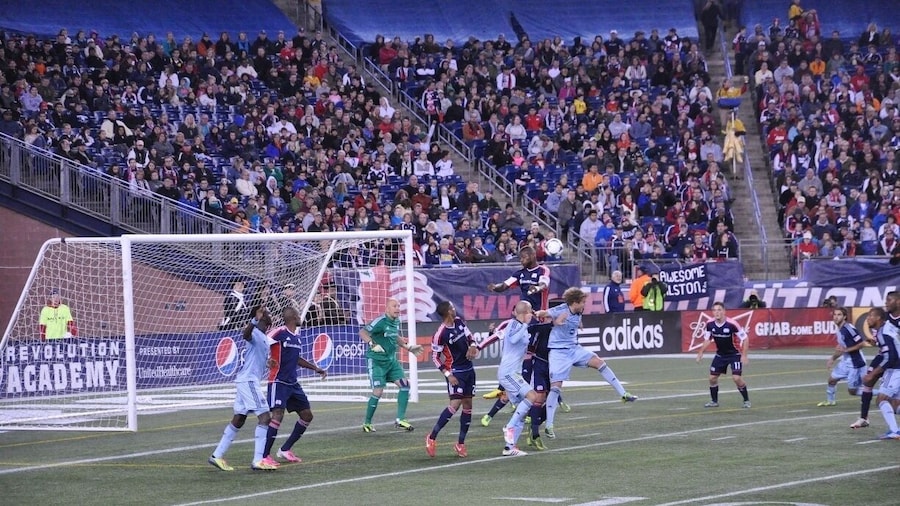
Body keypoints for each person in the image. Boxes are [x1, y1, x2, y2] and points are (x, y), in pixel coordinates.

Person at [534, 287, 637, 438]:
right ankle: (549, 425)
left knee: (600, 363)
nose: (584, 305)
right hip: (558, 353)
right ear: (574, 302)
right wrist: (541, 315)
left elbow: (576, 320)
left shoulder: (578, 311)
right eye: (582, 302)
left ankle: (623, 394)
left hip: (574, 349)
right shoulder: (561, 310)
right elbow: (544, 313)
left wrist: (579, 325)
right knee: (556, 388)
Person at [208, 306, 276, 471]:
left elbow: (254, 358)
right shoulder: (254, 332)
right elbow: (245, 335)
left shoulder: (264, 338)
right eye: (264, 311)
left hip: (245, 380)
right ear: (259, 317)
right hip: (248, 381)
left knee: (239, 419)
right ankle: (258, 461)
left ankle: (217, 456)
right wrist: (253, 321)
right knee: (265, 417)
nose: (269, 312)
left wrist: (268, 363)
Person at [261, 306, 327, 467]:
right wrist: (266, 359)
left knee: (307, 415)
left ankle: (285, 449)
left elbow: (297, 359)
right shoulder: (279, 332)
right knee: (277, 415)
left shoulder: (296, 338)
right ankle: (264, 456)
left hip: (292, 383)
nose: (300, 317)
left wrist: (315, 368)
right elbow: (261, 343)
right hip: (278, 381)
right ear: (292, 317)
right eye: (298, 314)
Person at [359, 298, 425, 433]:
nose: (397, 308)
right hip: (376, 361)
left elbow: (395, 337)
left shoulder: (396, 321)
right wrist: (372, 344)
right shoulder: (380, 321)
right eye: (394, 306)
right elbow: (363, 332)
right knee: (378, 391)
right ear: (387, 308)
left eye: (398, 306)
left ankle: (400, 419)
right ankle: (367, 423)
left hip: (391, 361)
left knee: (405, 385)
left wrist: (409, 347)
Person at [425, 301, 478, 458]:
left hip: (469, 370)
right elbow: (435, 358)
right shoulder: (440, 334)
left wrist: (473, 346)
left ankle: (460, 444)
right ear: (448, 312)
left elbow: (470, 337)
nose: (455, 309)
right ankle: (432, 437)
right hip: (456, 372)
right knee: (455, 404)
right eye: (453, 308)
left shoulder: (460, 322)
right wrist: (448, 375)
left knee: (468, 405)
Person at [495, 301, 542, 456]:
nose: (532, 315)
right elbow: (514, 339)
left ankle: (510, 447)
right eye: (530, 312)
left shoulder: (521, 326)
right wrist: (525, 325)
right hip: (509, 373)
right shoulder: (515, 325)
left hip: (514, 372)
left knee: (522, 412)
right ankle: (508, 427)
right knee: (532, 396)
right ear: (525, 312)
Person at [851, 291, 899, 429]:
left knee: (886, 398)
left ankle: (894, 429)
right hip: (886, 355)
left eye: (889, 300)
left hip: (894, 358)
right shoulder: (886, 318)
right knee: (869, 380)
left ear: (898, 302)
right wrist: (877, 342)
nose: (886, 303)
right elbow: (885, 341)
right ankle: (863, 418)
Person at [695, 302, 751, 408]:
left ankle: (746, 400)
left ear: (724, 311)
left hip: (734, 355)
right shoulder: (710, 324)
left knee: (736, 378)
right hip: (720, 355)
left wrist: (744, 355)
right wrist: (700, 352)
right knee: (712, 378)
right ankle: (714, 401)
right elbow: (707, 339)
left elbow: (745, 338)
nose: (717, 312)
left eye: (719, 310)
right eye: (714, 310)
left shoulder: (732, 324)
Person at [817, 307, 867, 407]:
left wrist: (846, 350)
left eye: (839, 315)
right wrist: (832, 358)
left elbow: (862, 344)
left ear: (844, 317)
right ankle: (830, 401)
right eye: (835, 314)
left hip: (855, 363)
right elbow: (842, 349)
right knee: (831, 380)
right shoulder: (839, 330)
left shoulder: (849, 329)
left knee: (853, 391)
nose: (836, 317)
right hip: (846, 361)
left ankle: (883, 394)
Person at [864, 307, 900, 439]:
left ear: (878, 318)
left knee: (881, 399)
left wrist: (873, 373)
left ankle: (895, 431)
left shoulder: (883, 332)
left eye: (870, 316)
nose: (868, 318)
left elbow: (890, 357)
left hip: (896, 369)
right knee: (896, 404)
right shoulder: (889, 328)